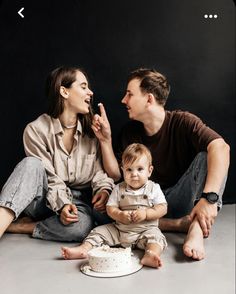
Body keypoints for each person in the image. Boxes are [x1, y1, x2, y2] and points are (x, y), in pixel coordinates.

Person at [91, 68, 230, 261]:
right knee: (100, 213)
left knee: (208, 155)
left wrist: (209, 199)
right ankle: (176, 225)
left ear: (149, 99)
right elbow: (116, 175)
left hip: (182, 198)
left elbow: (221, 147)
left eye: (129, 94)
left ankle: (195, 229)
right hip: (144, 206)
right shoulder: (130, 132)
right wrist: (105, 140)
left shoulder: (183, 121)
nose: (124, 100)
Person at [0, 66, 114, 242]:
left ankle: (21, 226)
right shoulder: (36, 130)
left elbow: (100, 172)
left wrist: (103, 190)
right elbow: (50, 177)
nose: (90, 92)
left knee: (81, 227)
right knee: (31, 164)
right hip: (43, 199)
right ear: (64, 91)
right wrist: (62, 205)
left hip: (79, 203)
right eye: (83, 87)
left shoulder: (93, 131)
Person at [61, 143, 167, 268]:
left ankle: (150, 254)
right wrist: (120, 215)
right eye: (129, 169)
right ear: (123, 170)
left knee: (156, 238)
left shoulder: (153, 188)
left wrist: (146, 213)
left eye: (139, 169)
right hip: (120, 230)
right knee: (98, 232)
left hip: (145, 231)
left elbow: (162, 208)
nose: (134, 174)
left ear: (149, 171)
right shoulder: (118, 188)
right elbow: (110, 208)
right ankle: (83, 249)